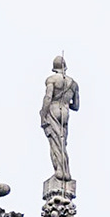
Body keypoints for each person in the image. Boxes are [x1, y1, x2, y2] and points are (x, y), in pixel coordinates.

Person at [39, 55, 80, 185]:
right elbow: (76, 106)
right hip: (65, 113)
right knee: (62, 143)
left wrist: (43, 114)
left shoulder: (51, 80)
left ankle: (60, 171)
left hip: (53, 110)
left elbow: (47, 98)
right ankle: (66, 170)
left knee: (55, 143)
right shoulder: (73, 84)